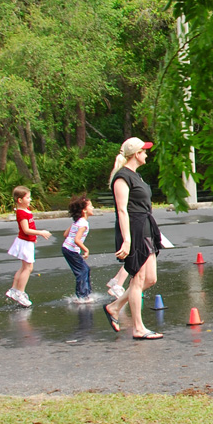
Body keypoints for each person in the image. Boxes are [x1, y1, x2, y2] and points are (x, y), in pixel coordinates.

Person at [104, 138, 162, 339]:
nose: (146, 154)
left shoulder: (136, 176)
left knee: (150, 278)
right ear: (136, 154)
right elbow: (122, 210)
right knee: (137, 279)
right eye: (144, 151)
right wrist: (127, 240)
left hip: (146, 227)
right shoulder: (122, 178)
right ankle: (138, 328)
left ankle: (115, 307)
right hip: (134, 230)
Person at [6, 186, 52, 307]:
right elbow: (26, 230)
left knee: (24, 267)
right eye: (27, 197)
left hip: (27, 242)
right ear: (20, 200)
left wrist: (34, 238)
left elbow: (30, 228)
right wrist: (40, 232)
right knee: (28, 268)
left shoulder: (26, 211)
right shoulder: (21, 213)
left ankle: (14, 289)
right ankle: (20, 292)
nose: (30, 199)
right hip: (24, 243)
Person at [62, 195, 95, 301]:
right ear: (84, 210)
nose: (93, 208)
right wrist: (86, 250)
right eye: (91, 206)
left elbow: (66, 234)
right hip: (71, 250)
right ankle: (82, 296)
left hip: (67, 249)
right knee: (82, 271)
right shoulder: (83, 224)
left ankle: (86, 293)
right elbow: (77, 240)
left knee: (85, 269)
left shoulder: (77, 221)